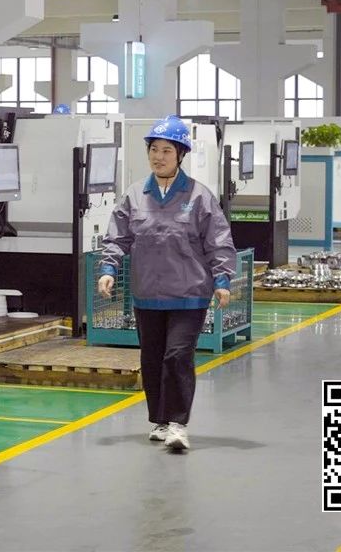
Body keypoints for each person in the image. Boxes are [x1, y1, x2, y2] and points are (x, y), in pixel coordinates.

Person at [96, 115, 236, 452]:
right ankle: (160, 419)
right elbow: (117, 238)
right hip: (148, 293)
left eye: (166, 151)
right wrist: (108, 269)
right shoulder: (134, 195)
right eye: (154, 150)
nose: (158, 157)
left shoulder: (199, 196)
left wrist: (222, 279)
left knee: (178, 355)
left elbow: (218, 241)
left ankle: (178, 423)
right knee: (152, 358)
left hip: (190, 293)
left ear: (181, 155)